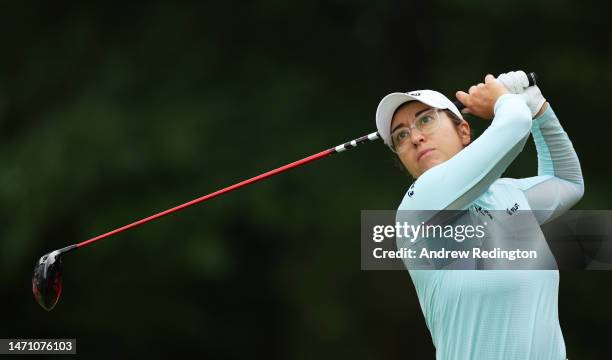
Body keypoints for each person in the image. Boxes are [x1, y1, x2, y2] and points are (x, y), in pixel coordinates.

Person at [375, 71, 584, 359]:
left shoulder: (509, 196)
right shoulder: (418, 207)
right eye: (401, 135)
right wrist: (503, 99)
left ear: (463, 131)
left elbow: (567, 181)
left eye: (425, 119)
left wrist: (536, 105)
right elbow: (514, 124)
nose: (415, 137)